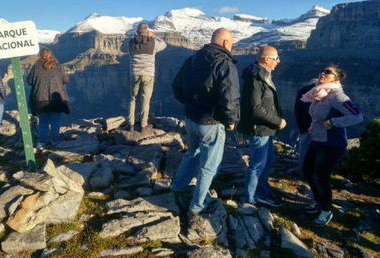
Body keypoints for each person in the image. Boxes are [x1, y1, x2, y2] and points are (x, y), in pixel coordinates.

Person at [170, 28, 240, 215]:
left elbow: (177, 85)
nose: (231, 48)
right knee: (208, 167)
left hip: (191, 119)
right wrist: (231, 120)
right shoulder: (225, 64)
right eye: (231, 44)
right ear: (225, 43)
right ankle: (197, 206)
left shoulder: (192, 59)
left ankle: (177, 187)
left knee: (192, 153)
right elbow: (230, 98)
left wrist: (189, 105)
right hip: (211, 122)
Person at [301, 65, 363, 226]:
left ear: (336, 79)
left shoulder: (338, 96)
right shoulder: (319, 93)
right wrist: (313, 126)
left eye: (328, 72)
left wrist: (334, 122)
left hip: (332, 144)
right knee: (307, 170)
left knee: (321, 177)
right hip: (317, 140)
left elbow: (357, 116)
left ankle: (326, 210)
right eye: (322, 70)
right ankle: (318, 201)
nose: (323, 73)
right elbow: (317, 117)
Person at [237, 46, 286, 207]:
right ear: (266, 59)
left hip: (265, 129)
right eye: (276, 58)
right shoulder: (255, 79)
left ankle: (263, 191)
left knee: (268, 159)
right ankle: (250, 199)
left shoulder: (263, 75)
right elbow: (255, 109)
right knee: (257, 165)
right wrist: (277, 121)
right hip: (259, 129)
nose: (278, 61)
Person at [120, 23, 167, 132]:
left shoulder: (131, 43)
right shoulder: (153, 43)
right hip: (148, 75)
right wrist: (153, 36)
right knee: (145, 101)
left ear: (137, 32)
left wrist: (130, 38)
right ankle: (143, 125)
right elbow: (164, 44)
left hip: (135, 74)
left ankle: (131, 124)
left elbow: (122, 48)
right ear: (147, 32)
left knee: (133, 99)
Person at [27, 47, 69, 150]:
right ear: (51, 55)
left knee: (43, 122)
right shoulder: (57, 66)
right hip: (56, 99)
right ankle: (55, 142)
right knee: (55, 122)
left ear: (40, 55)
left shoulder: (36, 67)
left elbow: (29, 81)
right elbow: (66, 79)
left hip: (41, 98)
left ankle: (41, 143)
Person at [294, 79, 317, 174]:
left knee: (304, 147)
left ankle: (302, 169)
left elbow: (297, 111)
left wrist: (301, 126)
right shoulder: (328, 92)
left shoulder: (303, 91)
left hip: (305, 125)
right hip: (321, 126)